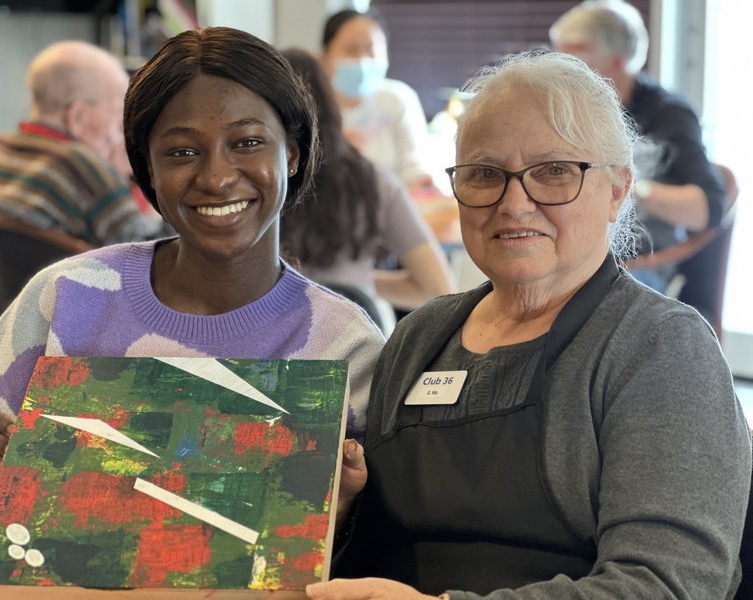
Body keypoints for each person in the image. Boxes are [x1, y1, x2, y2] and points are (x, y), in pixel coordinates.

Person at [306, 51, 751, 599]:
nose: (514, 203)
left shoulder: (659, 348)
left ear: (616, 190)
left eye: (554, 171)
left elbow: (670, 583)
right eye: (486, 174)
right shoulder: (420, 337)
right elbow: (372, 552)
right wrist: (343, 509)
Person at [0, 27, 385, 537]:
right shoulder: (68, 299)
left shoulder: (346, 348)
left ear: (290, 154)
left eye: (247, 143)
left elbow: (382, 554)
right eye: (182, 152)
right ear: (148, 169)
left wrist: (344, 520)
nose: (217, 177)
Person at [549, 0, 726, 293]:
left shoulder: (668, 115)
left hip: (638, 266)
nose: (559, 67)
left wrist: (628, 186)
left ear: (617, 63)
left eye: (573, 55)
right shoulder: (569, 114)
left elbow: (708, 208)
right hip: (576, 259)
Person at [280, 48, 453, 326]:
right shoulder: (373, 182)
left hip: (276, 345)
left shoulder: (254, 188)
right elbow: (437, 287)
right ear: (330, 102)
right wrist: (357, 280)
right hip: (357, 339)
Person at [0, 40, 169, 246]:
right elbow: (154, 250)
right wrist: (150, 176)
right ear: (78, 117)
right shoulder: (81, 165)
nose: (123, 126)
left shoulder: (2, 149)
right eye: (117, 112)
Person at [320, 9, 437, 193]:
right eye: (351, 50)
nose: (362, 60)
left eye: (372, 49)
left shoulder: (397, 98)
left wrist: (423, 185)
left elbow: (415, 165)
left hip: (392, 210)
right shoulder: (312, 107)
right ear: (324, 56)